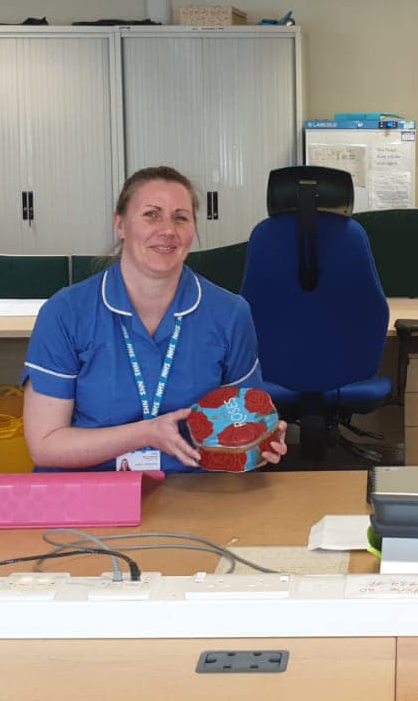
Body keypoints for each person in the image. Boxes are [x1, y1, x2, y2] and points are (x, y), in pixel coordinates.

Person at [23, 166, 287, 473]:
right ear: (120, 225)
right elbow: (45, 444)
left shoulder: (230, 313)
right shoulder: (65, 312)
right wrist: (146, 433)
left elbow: (243, 418)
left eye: (180, 217)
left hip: (194, 489)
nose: (167, 230)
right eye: (151, 214)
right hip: (90, 487)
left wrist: (261, 438)